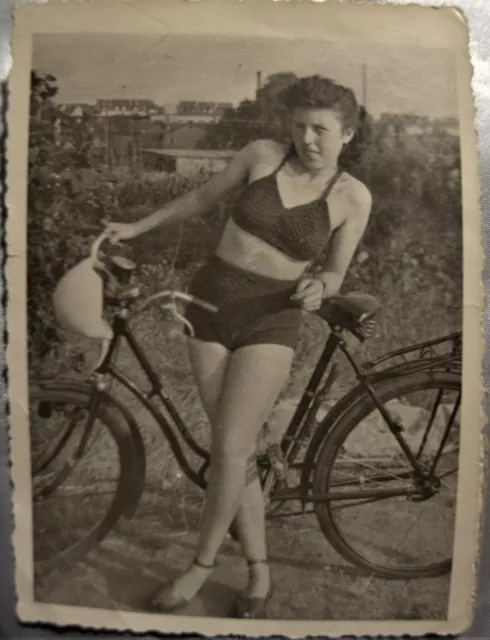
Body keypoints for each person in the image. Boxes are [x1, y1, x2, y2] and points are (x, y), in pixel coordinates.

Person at [105, 75, 372, 618]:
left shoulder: (352, 195)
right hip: (208, 307)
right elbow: (200, 198)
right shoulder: (261, 155)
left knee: (228, 450)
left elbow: (338, 270)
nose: (307, 139)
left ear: (348, 132)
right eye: (299, 125)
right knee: (236, 452)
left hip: (272, 320)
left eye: (320, 129)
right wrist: (138, 226)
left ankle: (200, 567)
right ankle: (259, 569)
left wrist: (323, 286)